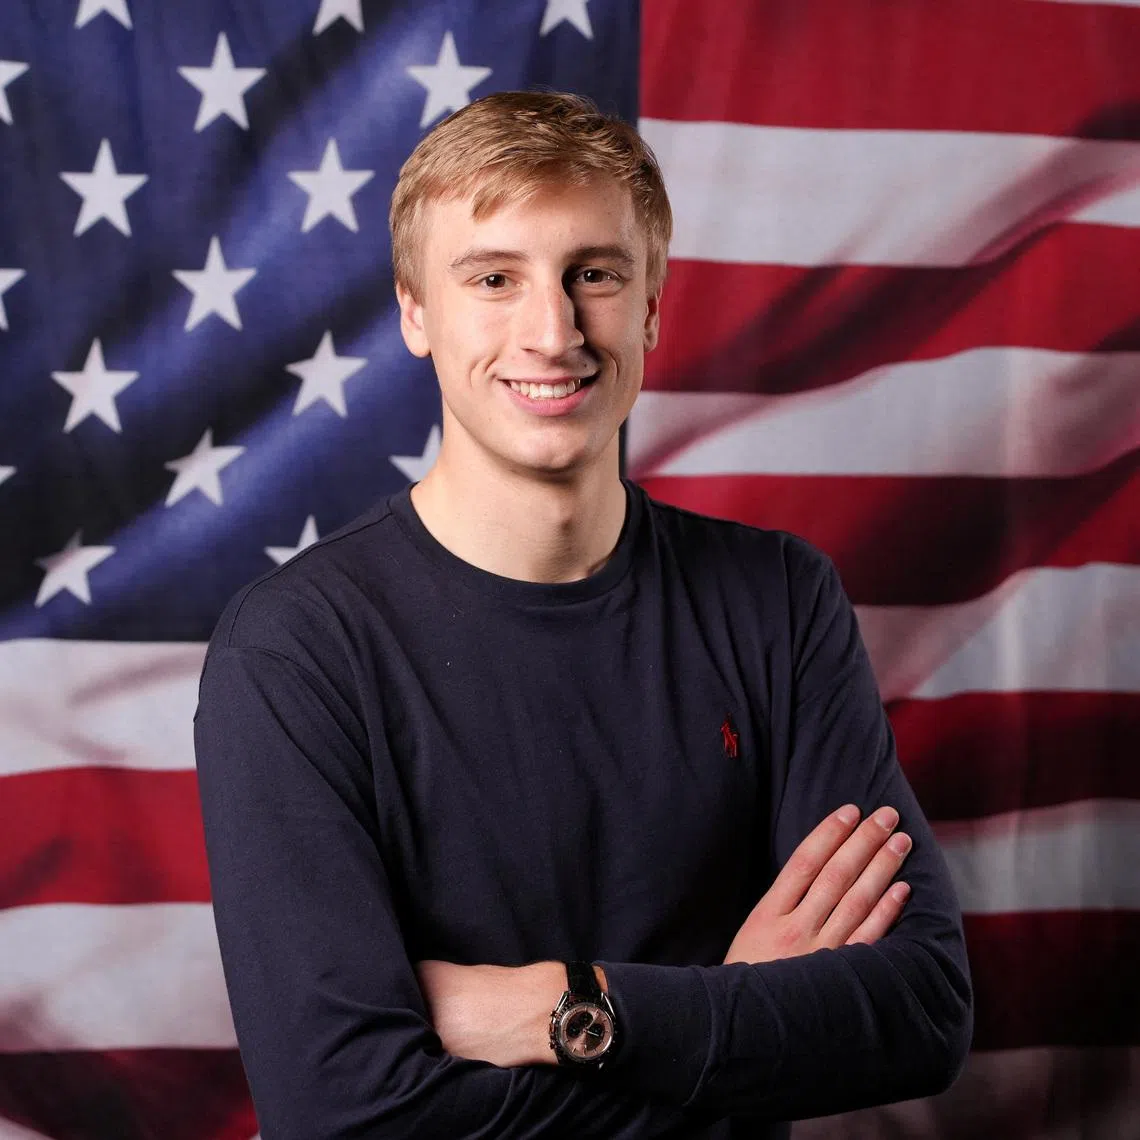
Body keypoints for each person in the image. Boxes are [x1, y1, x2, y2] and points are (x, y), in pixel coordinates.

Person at [193, 91, 972, 1139]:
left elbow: (920, 1012)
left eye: (594, 276)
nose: (552, 331)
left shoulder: (777, 599)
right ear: (417, 313)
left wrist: (564, 1008)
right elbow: (343, 1115)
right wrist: (726, 1023)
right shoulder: (294, 649)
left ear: (650, 307)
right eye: (495, 279)